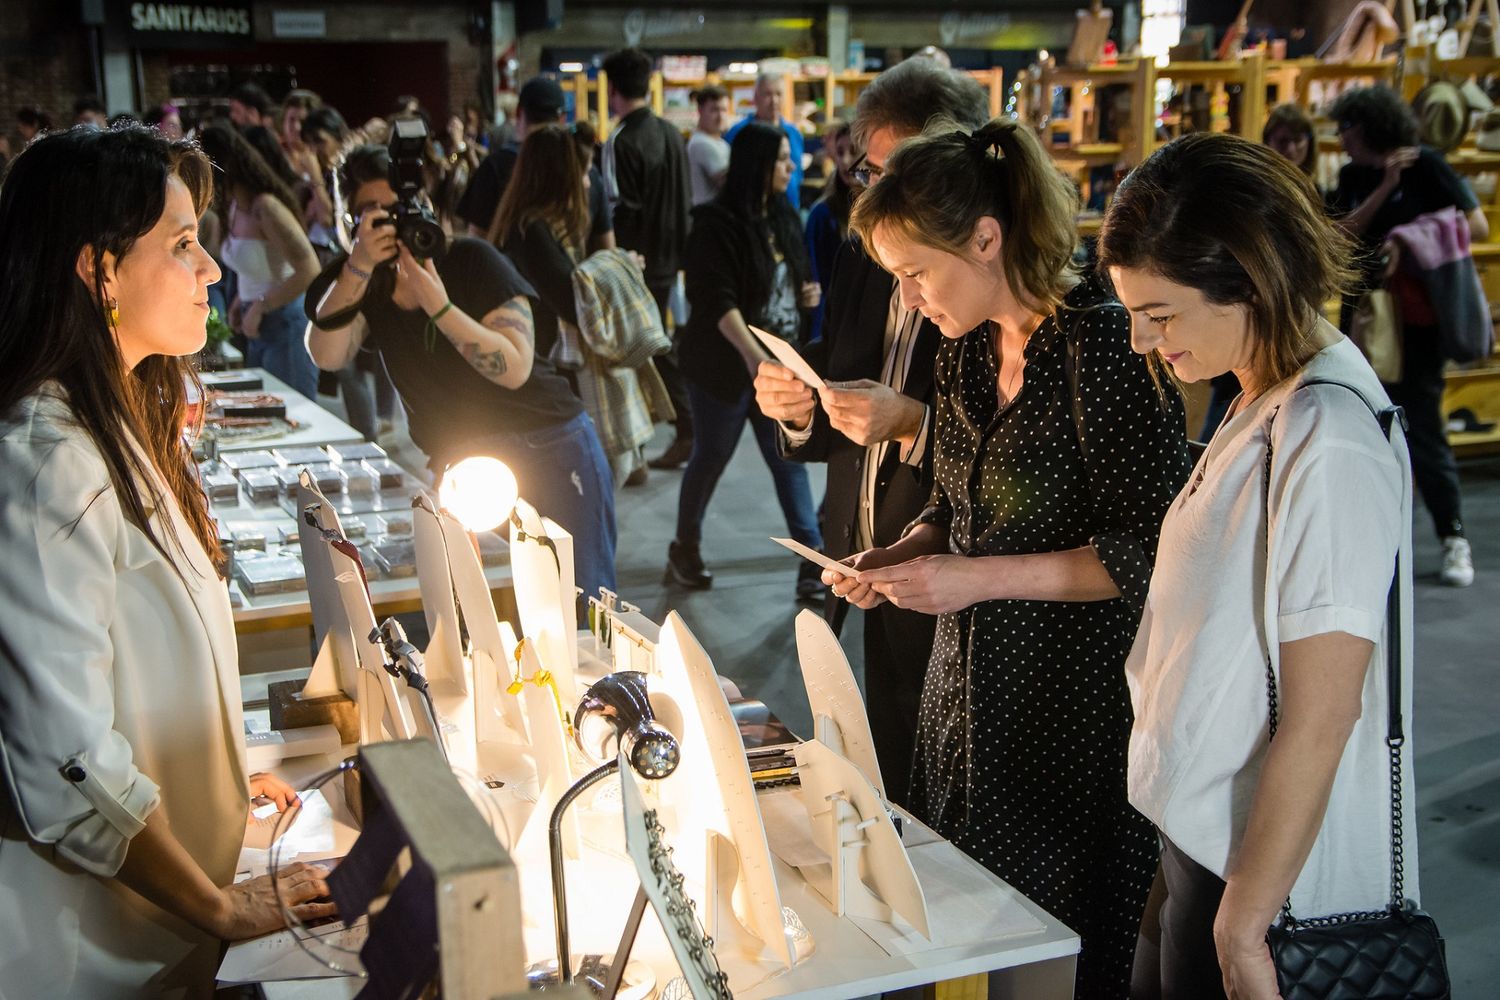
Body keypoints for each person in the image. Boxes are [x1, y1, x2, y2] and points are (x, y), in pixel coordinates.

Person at [839, 118, 1191, 997]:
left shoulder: (1104, 346)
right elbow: (956, 509)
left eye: (917, 273)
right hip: (964, 707)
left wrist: (969, 579)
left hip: (1069, 717)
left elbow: (1150, 550)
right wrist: (905, 552)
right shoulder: (961, 351)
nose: (911, 298)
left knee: (1050, 959)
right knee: (955, 937)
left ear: (987, 238)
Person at [0, 124, 334, 998]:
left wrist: (207, 767)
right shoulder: (48, 460)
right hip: (101, 954)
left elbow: (124, 663)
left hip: (158, 928)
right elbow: (66, 762)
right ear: (97, 269)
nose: (212, 271)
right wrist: (224, 909)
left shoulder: (113, 419)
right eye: (182, 245)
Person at [1100, 132, 1417, 1000]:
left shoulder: (1329, 438)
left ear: (1250, 281)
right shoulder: (1264, 397)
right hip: (1205, 845)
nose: (1138, 341)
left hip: (1257, 883)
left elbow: (1323, 713)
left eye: (1160, 315)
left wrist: (1240, 933)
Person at [753, 57, 987, 807]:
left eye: (898, 174)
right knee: (887, 762)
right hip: (871, 551)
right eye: (870, 173)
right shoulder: (866, 252)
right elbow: (846, 374)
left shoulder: (992, 289)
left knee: (948, 784)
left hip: (952, 570)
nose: (878, 194)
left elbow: (1006, 447)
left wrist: (912, 423)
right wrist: (799, 405)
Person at [304, 145, 617, 602]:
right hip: (461, 460)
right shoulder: (364, 283)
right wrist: (359, 265)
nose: (387, 225)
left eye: (396, 210)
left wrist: (438, 304)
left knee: (577, 596)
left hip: (547, 443)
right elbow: (326, 354)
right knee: (479, 606)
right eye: (369, 214)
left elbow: (513, 367)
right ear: (348, 222)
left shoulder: (470, 259)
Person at [1329, 84, 1483, 587]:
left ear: (1369, 125)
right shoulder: (1355, 177)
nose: (1341, 138)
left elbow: (1473, 226)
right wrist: (1382, 189)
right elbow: (1339, 236)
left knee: (1425, 427)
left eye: (1347, 127)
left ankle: (1452, 536)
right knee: (1368, 425)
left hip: (1416, 321)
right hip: (1367, 319)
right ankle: (1375, 540)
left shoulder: (1427, 166)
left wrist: (1407, 238)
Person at [669, 122, 825, 600]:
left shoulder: (781, 214)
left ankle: (812, 561)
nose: (791, 166)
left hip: (778, 362)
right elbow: (716, 301)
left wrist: (806, 293)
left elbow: (792, 272)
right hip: (725, 369)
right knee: (711, 455)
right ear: (757, 165)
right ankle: (685, 547)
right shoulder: (715, 223)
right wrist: (756, 361)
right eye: (781, 159)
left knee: (789, 459)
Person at [601, 46, 695, 471]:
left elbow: (620, 207)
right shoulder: (671, 134)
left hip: (635, 263)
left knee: (642, 348)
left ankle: (677, 432)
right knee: (658, 345)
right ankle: (663, 439)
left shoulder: (621, 140)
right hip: (672, 257)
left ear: (613, 89)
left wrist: (617, 258)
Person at [198, 124, 322, 399]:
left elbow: (309, 269)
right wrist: (238, 303)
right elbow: (253, 268)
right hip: (256, 319)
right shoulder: (233, 207)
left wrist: (261, 306)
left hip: (285, 321)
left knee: (294, 412)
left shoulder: (266, 207)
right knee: (268, 409)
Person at [803, 120, 856, 343]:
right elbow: (816, 286)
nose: (845, 161)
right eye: (840, 152)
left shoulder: (884, 212)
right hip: (834, 327)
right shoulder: (823, 214)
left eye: (853, 152)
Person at [725, 72, 805, 209]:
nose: (774, 101)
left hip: (789, 212)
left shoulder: (794, 133)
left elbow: (797, 176)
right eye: (767, 94)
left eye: (778, 94)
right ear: (755, 97)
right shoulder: (740, 133)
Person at [687, 84, 732, 206]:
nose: (720, 117)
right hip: (709, 220)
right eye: (714, 110)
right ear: (700, 110)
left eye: (724, 110)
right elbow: (730, 186)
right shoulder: (701, 144)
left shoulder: (720, 143)